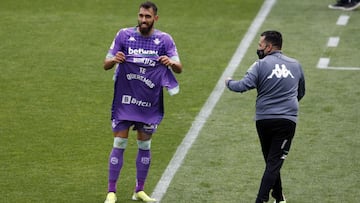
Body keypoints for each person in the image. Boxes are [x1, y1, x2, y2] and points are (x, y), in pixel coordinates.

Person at [102, 1, 183, 203]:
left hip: (148, 102)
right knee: (119, 142)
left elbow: (179, 67)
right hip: (125, 100)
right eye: (141, 16)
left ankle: (139, 190)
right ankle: (111, 192)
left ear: (155, 18)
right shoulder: (124, 35)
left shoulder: (164, 40)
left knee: (144, 144)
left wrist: (170, 63)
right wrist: (115, 60)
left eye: (147, 17)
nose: (143, 20)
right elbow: (106, 64)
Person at [225, 31, 305, 203]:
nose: (258, 48)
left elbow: (242, 86)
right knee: (274, 162)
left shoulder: (260, 65)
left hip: (264, 120)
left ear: (269, 47)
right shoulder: (295, 65)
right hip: (287, 121)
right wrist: (287, 104)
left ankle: (277, 197)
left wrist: (228, 82)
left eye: (260, 45)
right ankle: (262, 200)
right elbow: (301, 92)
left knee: (271, 161)